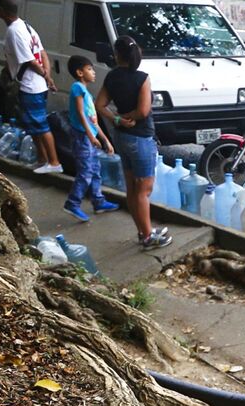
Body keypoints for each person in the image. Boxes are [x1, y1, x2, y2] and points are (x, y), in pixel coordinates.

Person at [97, 36, 172, 249]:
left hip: (121, 136)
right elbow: (143, 111)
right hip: (140, 137)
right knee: (144, 190)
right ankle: (148, 237)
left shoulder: (111, 77)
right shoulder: (142, 78)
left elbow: (100, 105)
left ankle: (142, 231)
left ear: (117, 55)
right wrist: (130, 117)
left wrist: (118, 119)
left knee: (131, 187)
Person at [0, 0, 60, 174]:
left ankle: (54, 162)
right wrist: (48, 76)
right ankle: (42, 160)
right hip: (37, 84)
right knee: (33, 125)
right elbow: (43, 53)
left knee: (40, 125)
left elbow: (31, 60)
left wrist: (46, 77)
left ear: (1, 10)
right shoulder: (27, 26)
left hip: (31, 85)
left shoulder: (14, 31)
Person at [63, 56, 119, 222]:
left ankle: (98, 200)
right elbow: (81, 114)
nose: (93, 73)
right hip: (81, 137)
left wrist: (104, 140)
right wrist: (89, 135)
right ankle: (72, 203)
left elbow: (93, 121)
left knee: (95, 169)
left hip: (88, 136)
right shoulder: (77, 88)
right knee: (86, 171)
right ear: (80, 72)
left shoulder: (86, 92)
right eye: (90, 69)